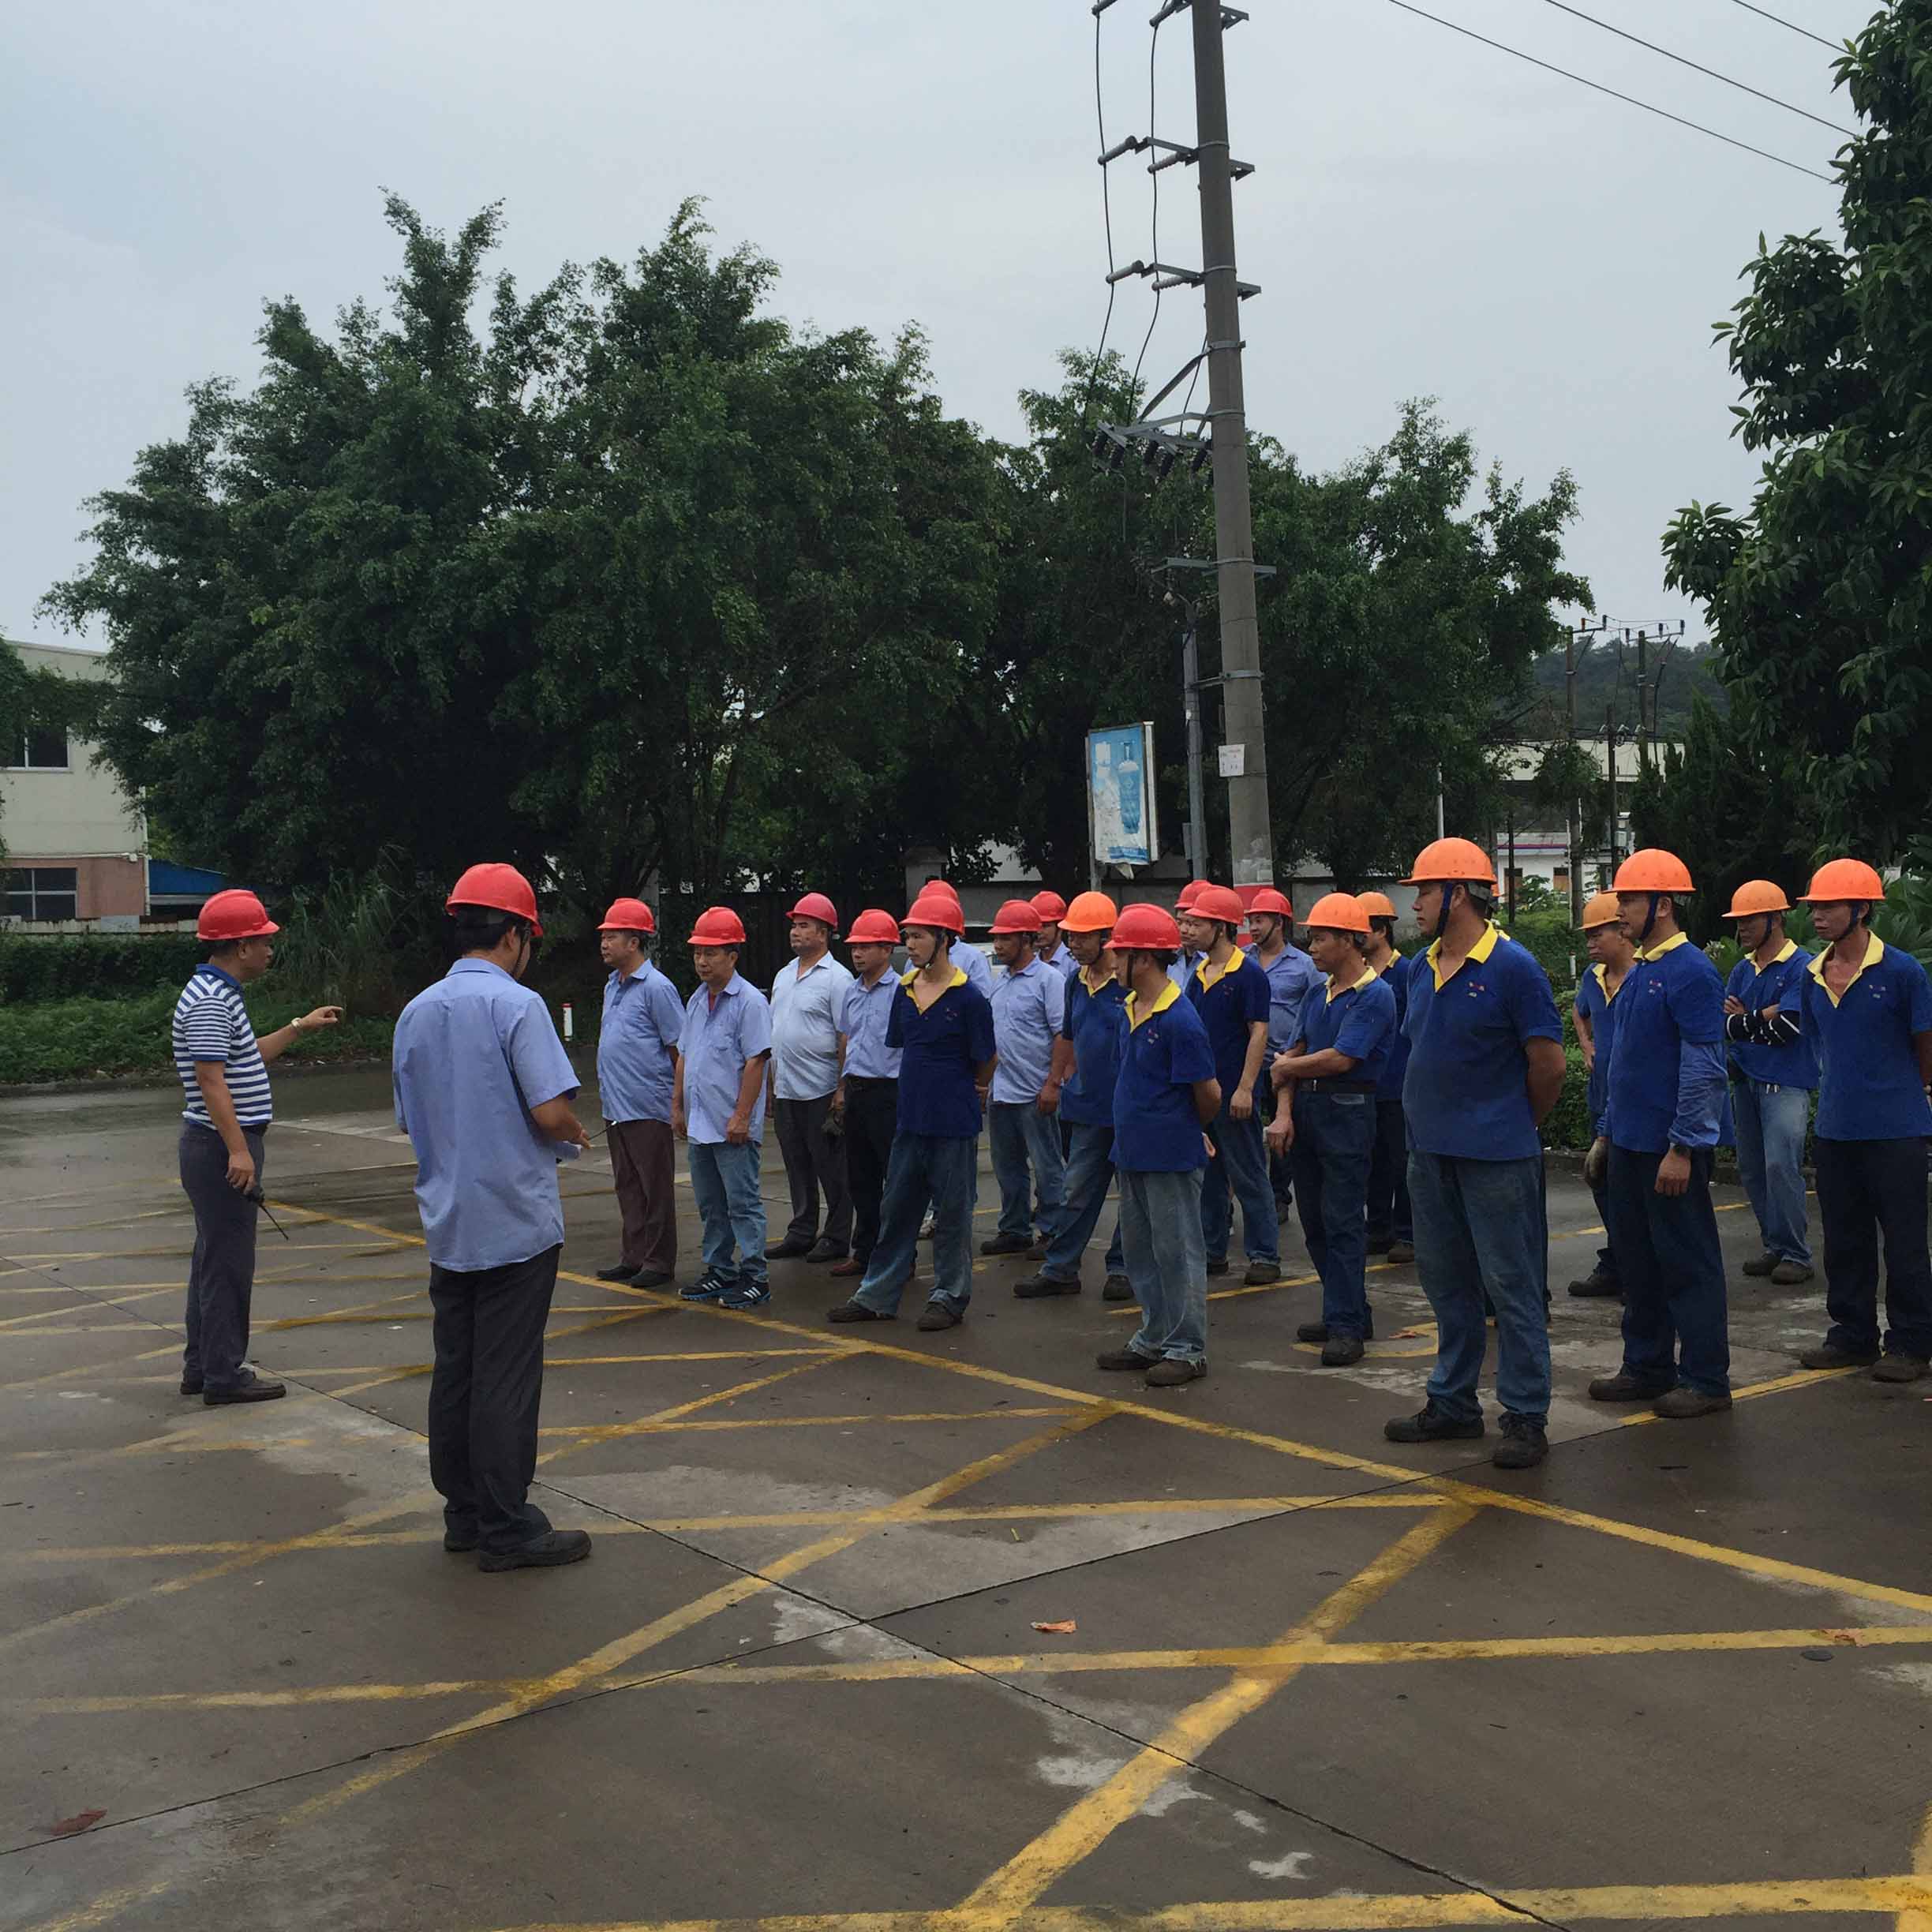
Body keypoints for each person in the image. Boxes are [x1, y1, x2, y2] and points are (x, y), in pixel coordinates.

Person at [392, 864, 591, 1571]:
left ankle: (465, 1514)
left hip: (449, 1221)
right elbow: (550, 1110)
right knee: (506, 1376)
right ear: (514, 935)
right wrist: (573, 1133)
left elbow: (410, 1118)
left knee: (458, 1370)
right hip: (513, 1221)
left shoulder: (417, 1012)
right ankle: (508, 1526)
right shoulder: (517, 1006)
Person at [1383, 837, 1566, 1471]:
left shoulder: (1514, 969)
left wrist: (1514, 1124)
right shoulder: (1420, 968)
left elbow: (1549, 1066)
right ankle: (1453, 1403)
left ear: (1458, 894)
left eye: (1424, 893)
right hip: (1429, 1154)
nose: (1413, 905)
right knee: (1446, 1285)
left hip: (1496, 1158)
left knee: (1511, 1287)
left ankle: (1525, 1415)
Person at [174, 889, 342, 1406]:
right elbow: (211, 1082)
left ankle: (203, 1366)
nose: (270, 949)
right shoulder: (210, 1000)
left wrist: (298, 1026)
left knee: (214, 1258)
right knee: (228, 1265)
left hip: (220, 1143)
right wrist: (238, 1151)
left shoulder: (221, 994)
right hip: (219, 1145)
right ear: (240, 946)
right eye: (264, 940)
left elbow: (245, 1059)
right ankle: (223, 1375)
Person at [1588, 848, 1732, 1420]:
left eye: (1630, 900)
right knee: (1639, 1261)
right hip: (1629, 1143)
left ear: (1663, 905)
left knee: (1687, 1263)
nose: (1620, 910)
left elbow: (1704, 1067)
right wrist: (1606, 1134)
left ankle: (1706, 1379)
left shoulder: (1691, 971)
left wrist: (1684, 1146)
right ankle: (1647, 1366)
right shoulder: (1643, 970)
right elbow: (1622, 1065)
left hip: (1667, 1149)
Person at [1784, 860, 1932, 1382]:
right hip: (1836, 1131)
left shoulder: (1903, 973)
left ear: (1862, 909)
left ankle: (1912, 1343)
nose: (1818, 917)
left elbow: (1925, 1045)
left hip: (1897, 1131)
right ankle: (1852, 1336)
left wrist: (1912, 1096)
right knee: (1844, 1243)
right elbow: (1818, 1043)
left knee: (1905, 1243)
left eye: (1829, 907)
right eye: (1814, 908)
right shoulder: (1811, 976)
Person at [829, 889, 996, 1331]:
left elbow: (987, 1057)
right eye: (908, 936)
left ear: (945, 939)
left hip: (953, 1121)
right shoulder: (905, 992)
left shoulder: (969, 998)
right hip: (910, 1118)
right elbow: (903, 1047)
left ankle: (949, 1297)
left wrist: (975, 1089)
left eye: (919, 936)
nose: (910, 944)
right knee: (897, 1210)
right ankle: (877, 1295)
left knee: (953, 1214)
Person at [1265, 894, 1396, 1365]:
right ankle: (1347, 1309)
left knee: (1342, 1221)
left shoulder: (1375, 994)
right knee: (1316, 1222)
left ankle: (1346, 1326)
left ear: (1348, 941)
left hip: (1348, 1109)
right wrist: (1284, 1113)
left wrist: (1288, 1068)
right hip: (1308, 1107)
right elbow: (1291, 1056)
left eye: (1320, 938)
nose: (1312, 947)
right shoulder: (1315, 993)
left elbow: (1341, 1058)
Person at [1094, 902, 1222, 1386]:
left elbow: (1209, 1094)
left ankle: (1187, 1349)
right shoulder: (1130, 1009)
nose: (1112, 962)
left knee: (1178, 1253)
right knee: (1143, 1252)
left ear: (1143, 959)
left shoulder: (1179, 1019)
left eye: (1120, 953)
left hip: (1169, 1154)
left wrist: (1189, 1129)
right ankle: (1153, 1337)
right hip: (1133, 1150)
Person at [1020, 890, 1131, 1301]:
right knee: (1076, 1193)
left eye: (1083, 937)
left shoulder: (1129, 983)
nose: (1074, 944)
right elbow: (1067, 1036)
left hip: (1129, 1109)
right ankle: (1061, 1269)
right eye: (1071, 936)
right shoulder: (1075, 982)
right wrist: (1055, 1081)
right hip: (1087, 1106)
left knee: (1133, 1198)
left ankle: (1123, 1269)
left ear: (1106, 936)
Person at [672, 906, 773, 1309]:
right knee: (711, 1204)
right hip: (701, 1122)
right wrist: (677, 1106)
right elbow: (684, 1055)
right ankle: (719, 1270)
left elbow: (757, 1061)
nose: (702, 960)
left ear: (732, 956)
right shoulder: (698, 1000)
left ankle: (755, 1275)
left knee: (742, 1203)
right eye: (698, 952)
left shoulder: (749, 1002)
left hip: (732, 1125)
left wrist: (742, 1116)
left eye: (711, 953)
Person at [1183, 885, 1281, 1286]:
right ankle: (1213, 1250)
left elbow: (1259, 1031)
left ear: (1221, 928)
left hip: (1235, 1092)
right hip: (1204, 1094)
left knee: (1249, 1174)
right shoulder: (1198, 975)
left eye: (1198, 924)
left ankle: (1264, 1255)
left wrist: (1245, 1087)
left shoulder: (1248, 974)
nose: (1189, 930)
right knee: (1209, 1176)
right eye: (1188, 923)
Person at [1720, 879, 1816, 1286]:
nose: (1741, 928)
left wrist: (1745, 1020)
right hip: (1746, 1081)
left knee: (1780, 1166)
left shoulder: (1802, 967)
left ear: (1775, 919)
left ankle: (1796, 1253)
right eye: (1739, 921)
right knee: (1754, 1170)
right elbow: (1724, 1027)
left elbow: (1789, 1028)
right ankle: (1775, 1245)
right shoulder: (1742, 969)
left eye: (1749, 920)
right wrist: (1762, 1015)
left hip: (1785, 1081)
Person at [593, 897, 686, 1288]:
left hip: (648, 1104)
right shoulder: (612, 985)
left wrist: (678, 1102)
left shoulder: (657, 988)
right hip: (616, 1104)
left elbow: (679, 1048)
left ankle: (659, 1262)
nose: (604, 943)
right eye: (604, 936)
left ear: (634, 942)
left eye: (612, 936)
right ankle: (633, 1256)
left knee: (655, 1188)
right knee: (628, 1186)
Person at [766, 892, 855, 1264]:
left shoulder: (838, 979)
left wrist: (841, 1088)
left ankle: (836, 1236)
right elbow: (774, 1032)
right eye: (794, 925)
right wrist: (771, 1087)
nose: (795, 932)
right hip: (787, 1087)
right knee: (797, 1164)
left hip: (821, 1088)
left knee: (831, 1167)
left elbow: (845, 1035)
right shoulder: (784, 975)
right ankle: (802, 1231)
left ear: (824, 933)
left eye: (804, 926)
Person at [983, 898, 1069, 1257]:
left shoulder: (1050, 981)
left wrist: (1052, 1084)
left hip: (1036, 1092)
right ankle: (1014, 1228)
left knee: (1047, 1167)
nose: (998, 945)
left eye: (1005, 938)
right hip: (1002, 1091)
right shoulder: (1000, 982)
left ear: (1026, 939)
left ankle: (1053, 1231)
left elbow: (1063, 1035)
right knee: (1008, 1167)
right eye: (996, 938)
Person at [830, 908, 904, 1283]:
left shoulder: (902, 991)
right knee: (861, 1179)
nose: (857, 954)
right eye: (854, 947)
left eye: (865, 947)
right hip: (857, 1090)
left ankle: (900, 1257)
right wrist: (842, 1086)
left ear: (887, 949)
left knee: (896, 1179)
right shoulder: (852, 991)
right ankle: (864, 1252)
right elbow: (848, 1038)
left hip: (888, 1093)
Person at [1569, 891, 1634, 1300]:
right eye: (1587, 936)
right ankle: (1617, 1262)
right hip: (1600, 1095)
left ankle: (1637, 1270)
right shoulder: (1592, 978)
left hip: (1630, 1102)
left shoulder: (1642, 977)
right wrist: (1586, 1042)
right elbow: (1580, 1012)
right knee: (1601, 1182)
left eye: (1598, 934)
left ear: (1622, 931)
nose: (1591, 943)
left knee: (1629, 1188)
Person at [1247, 886, 1316, 1219]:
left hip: (1284, 1062)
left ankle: (1278, 1198)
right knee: (1244, 1133)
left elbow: (1316, 1009)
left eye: (1260, 920)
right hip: (1247, 1063)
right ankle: (1253, 1196)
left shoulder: (1305, 966)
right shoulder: (1242, 961)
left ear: (1279, 923)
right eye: (1251, 920)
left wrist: (1299, 1057)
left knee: (1282, 1132)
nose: (1253, 927)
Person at [1357, 890, 1414, 1264]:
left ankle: (1407, 1233)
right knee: (1372, 1162)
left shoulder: (1406, 972)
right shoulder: (1358, 975)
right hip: (1366, 1085)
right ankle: (1378, 1228)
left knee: (1401, 1162)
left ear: (1381, 930)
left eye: (1361, 929)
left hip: (1399, 1083)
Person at [1032, 889, 1077, 977]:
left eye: (1045, 926)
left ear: (1060, 928)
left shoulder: (1073, 964)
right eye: (1035, 926)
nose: (1038, 931)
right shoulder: (1030, 964)